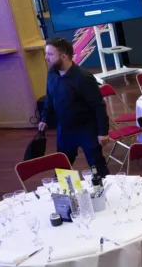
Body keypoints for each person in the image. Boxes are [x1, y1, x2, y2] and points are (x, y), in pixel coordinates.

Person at [37, 37, 111, 177]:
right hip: (64, 130)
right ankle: (66, 196)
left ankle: (105, 193)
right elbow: (50, 97)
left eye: (50, 54)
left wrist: (103, 132)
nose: (46, 58)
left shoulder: (83, 77)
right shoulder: (52, 74)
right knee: (62, 169)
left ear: (64, 56)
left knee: (97, 167)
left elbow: (99, 105)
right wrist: (45, 118)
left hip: (86, 129)